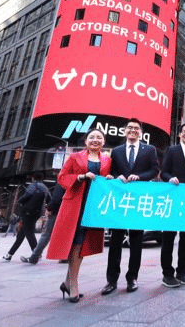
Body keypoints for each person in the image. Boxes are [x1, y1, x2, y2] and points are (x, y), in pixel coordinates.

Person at [46, 129, 111, 303]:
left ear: (103, 142)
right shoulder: (75, 157)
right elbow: (62, 177)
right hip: (75, 204)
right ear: (86, 141)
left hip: (93, 206)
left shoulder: (107, 160)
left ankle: (68, 283)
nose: (95, 140)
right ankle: (73, 285)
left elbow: (105, 179)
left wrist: (109, 178)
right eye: (92, 137)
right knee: (76, 243)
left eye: (99, 137)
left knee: (81, 245)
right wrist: (81, 176)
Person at [102, 118, 160, 295]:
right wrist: (116, 176)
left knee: (136, 241)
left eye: (136, 128)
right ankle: (111, 280)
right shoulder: (116, 151)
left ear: (140, 132)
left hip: (138, 200)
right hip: (120, 201)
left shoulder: (149, 150)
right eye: (130, 128)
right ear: (125, 130)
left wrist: (139, 177)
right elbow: (111, 171)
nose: (133, 130)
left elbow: (154, 170)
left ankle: (132, 278)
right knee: (115, 241)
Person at [160, 123, 185, 287]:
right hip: (173, 200)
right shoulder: (172, 150)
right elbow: (164, 172)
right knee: (168, 237)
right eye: (184, 132)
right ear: (179, 134)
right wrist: (170, 178)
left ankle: (182, 272)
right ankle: (167, 274)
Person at [2, 172, 49, 261]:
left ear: (33, 178)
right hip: (37, 213)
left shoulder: (33, 185)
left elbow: (27, 195)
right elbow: (49, 199)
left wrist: (20, 201)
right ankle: (9, 254)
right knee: (21, 235)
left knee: (29, 233)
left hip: (27, 212)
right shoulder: (45, 187)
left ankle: (36, 254)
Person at [21, 183, 65, 264]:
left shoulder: (62, 183)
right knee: (65, 235)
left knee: (46, 235)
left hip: (56, 212)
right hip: (69, 212)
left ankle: (34, 257)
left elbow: (56, 199)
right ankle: (65, 257)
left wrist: (49, 208)